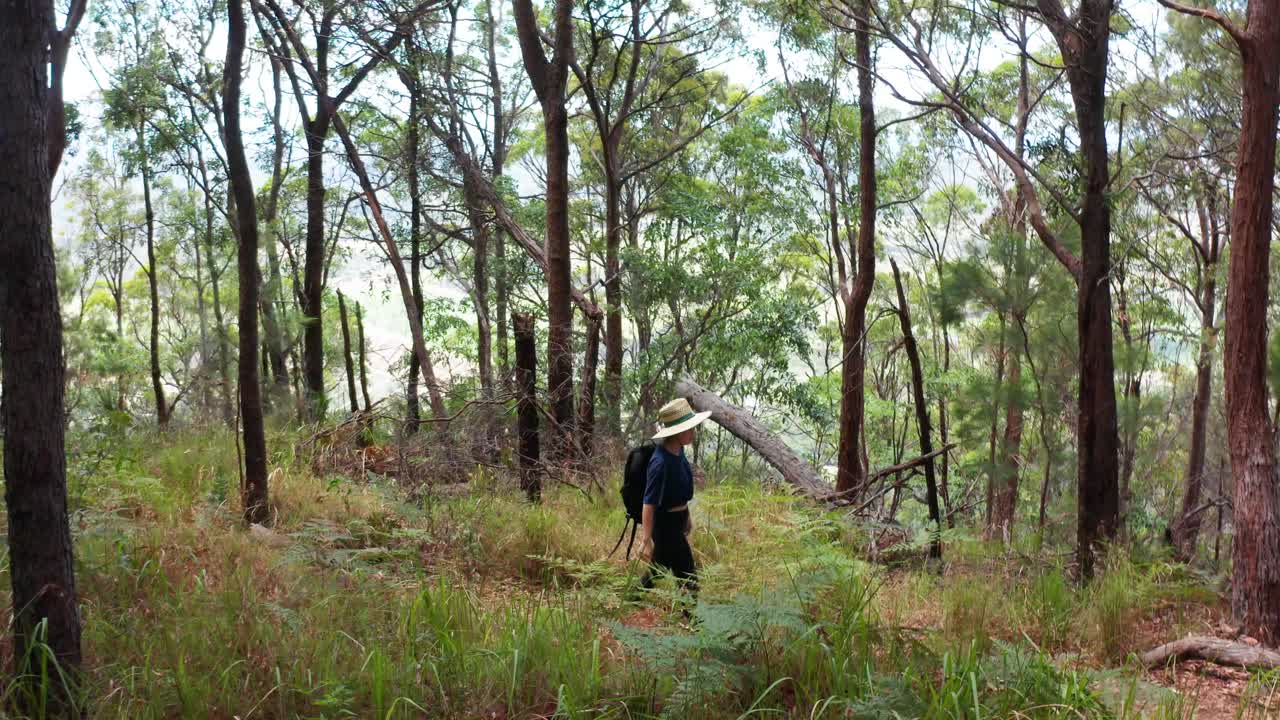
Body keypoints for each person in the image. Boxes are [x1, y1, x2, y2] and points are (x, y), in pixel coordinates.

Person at [640, 397, 711, 597]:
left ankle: (633, 598)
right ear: (677, 432)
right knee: (689, 577)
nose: (693, 432)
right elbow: (648, 503)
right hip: (665, 526)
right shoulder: (660, 463)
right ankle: (691, 615)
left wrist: (686, 517)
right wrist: (646, 540)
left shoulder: (679, 452)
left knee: (658, 568)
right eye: (689, 429)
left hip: (677, 521)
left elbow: (679, 494)